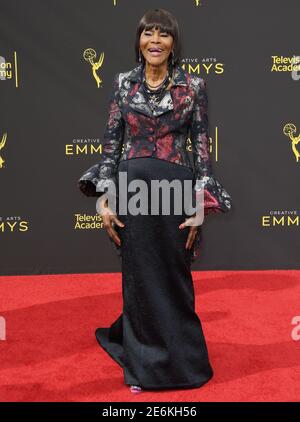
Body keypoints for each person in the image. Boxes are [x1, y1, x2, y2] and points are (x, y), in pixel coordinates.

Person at [78, 8, 232, 393]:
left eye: (163, 34)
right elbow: (111, 146)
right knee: (140, 278)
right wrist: (105, 200)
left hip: (175, 192)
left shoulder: (193, 86)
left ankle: (185, 365)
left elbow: (201, 147)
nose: (156, 41)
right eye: (149, 33)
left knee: (174, 277)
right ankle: (145, 367)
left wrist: (200, 203)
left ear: (173, 42)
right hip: (132, 191)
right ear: (139, 40)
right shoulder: (121, 84)